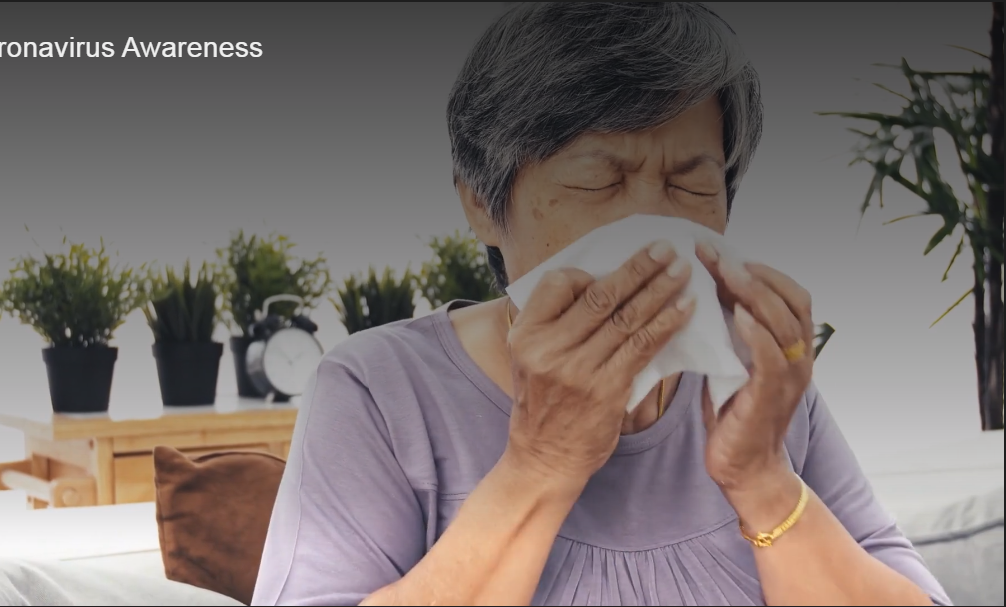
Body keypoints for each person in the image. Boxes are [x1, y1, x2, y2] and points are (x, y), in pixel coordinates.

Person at [252, 3, 950, 606]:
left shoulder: (758, 384)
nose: (649, 227)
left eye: (690, 184)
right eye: (597, 180)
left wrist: (761, 476)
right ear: (482, 205)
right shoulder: (379, 390)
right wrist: (541, 459)